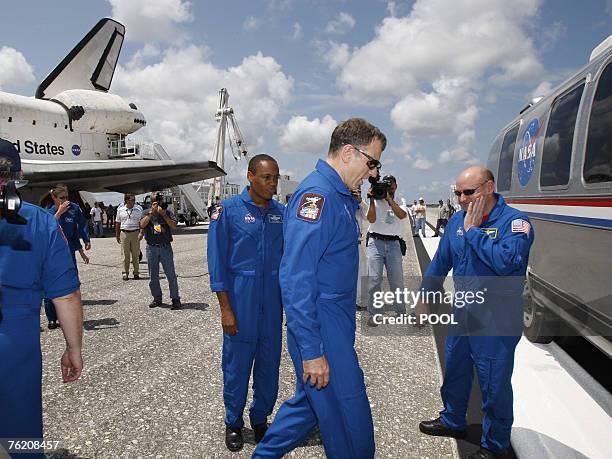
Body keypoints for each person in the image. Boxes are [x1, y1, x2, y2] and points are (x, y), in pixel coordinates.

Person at [253, 117, 385, 458]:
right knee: (350, 418)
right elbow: (296, 279)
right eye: (372, 162)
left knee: (311, 406)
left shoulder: (340, 196)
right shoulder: (318, 196)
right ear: (347, 152)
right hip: (322, 325)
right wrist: (312, 351)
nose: (373, 172)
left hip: (335, 322)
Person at [417, 166, 534, 459]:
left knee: (493, 383)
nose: (461, 199)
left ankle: (495, 444)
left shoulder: (516, 223)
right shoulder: (457, 221)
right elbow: (440, 264)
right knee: (454, 368)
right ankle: (453, 419)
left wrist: (473, 233)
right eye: (457, 193)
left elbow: (505, 263)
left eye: (469, 192)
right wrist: (424, 298)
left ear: (489, 187)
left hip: (496, 319)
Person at [0, 139, 84, 458]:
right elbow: (66, 294)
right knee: (19, 440)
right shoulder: (40, 221)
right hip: (15, 347)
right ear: (18, 175)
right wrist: (73, 348)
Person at [207, 154, 284, 452]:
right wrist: (226, 309)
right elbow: (217, 265)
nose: (272, 183)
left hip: (272, 307)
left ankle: (261, 419)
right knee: (237, 368)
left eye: (275, 177)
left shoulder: (281, 213)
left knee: (269, 366)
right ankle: (234, 423)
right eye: (267, 177)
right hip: (241, 305)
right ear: (250, 176)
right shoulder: (227, 211)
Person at [43, 184, 91, 330]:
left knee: (72, 283)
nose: (65, 201)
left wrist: (85, 242)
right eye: (61, 198)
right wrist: (58, 213)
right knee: (50, 285)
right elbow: (45, 230)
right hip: (52, 253)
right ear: (54, 198)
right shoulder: (48, 213)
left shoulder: (74, 209)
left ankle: (70, 316)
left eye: (66, 197)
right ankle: (52, 318)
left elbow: (79, 227)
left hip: (68, 251)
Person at [365, 175, 408, 326]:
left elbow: (402, 215)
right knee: (374, 280)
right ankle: (374, 314)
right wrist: (371, 199)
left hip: (393, 244)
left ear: (396, 186)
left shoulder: (400, 202)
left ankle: (401, 312)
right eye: (386, 185)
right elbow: (370, 219)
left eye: (391, 184)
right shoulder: (375, 200)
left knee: (397, 281)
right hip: (375, 243)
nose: (389, 187)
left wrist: (390, 200)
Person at [140, 192, 181, 309]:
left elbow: (174, 226)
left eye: (160, 202)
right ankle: (157, 298)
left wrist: (164, 215)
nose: (159, 205)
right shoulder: (145, 213)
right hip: (151, 248)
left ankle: (175, 298)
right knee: (153, 276)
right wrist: (151, 213)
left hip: (165, 247)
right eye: (156, 203)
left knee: (171, 274)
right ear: (151, 203)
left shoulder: (167, 212)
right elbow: (142, 225)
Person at [115, 194, 143, 281]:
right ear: (126, 200)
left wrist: (141, 232)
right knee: (125, 255)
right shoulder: (120, 210)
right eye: (132, 200)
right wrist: (117, 235)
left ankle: (136, 273)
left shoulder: (138, 210)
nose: (134, 201)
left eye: (134, 200)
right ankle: (125, 273)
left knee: (136, 254)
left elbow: (141, 222)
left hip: (135, 233)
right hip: (124, 233)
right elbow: (117, 223)